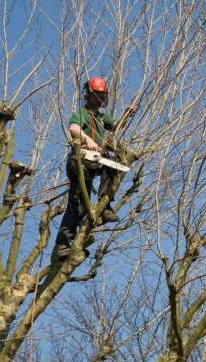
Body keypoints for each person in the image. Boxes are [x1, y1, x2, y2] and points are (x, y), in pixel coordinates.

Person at [53, 76, 136, 261]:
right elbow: (73, 127)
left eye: (102, 95)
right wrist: (88, 140)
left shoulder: (102, 117)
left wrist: (127, 114)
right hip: (80, 161)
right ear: (89, 95)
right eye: (97, 95)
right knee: (77, 206)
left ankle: (104, 205)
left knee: (111, 163)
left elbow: (115, 126)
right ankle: (62, 246)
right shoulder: (83, 113)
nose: (99, 99)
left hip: (95, 161)